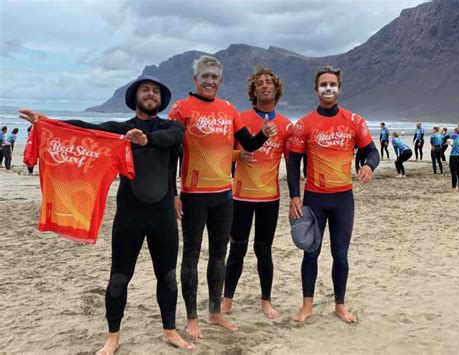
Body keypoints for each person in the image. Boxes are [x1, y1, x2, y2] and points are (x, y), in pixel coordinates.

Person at [19, 74, 193, 353]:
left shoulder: (172, 127)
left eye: (155, 91)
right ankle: (113, 336)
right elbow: (88, 130)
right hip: (129, 215)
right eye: (145, 90)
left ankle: (170, 330)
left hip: (162, 215)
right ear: (135, 97)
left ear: (161, 100)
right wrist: (48, 122)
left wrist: (145, 140)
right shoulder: (120, 129)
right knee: (119, 278)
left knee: (168, 277)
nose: (150, 94)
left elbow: (171, 138)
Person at [169, 55, 276, 339]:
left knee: (219, 255)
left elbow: (249, 143)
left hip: (223, 195)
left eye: (214, 76)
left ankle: (214, 312)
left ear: (220, 80)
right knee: (191, 255)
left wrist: (263, 134)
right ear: (195, 79)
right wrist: (174, 193)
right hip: (193, 195)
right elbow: (170, 153)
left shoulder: (228, 109)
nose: (209, 81)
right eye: (204, 76)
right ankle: (192, 318)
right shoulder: (182, 108)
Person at [287, 65, 379, 323]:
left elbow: (372, 151)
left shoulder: (353, 121)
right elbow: (293, 162)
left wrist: (368, 165)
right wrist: (295, 195)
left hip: (342, 200)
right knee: (311, 253)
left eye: (332, 84)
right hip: (314, 199)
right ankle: (307, 306)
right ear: (316, 90)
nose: (328, 88)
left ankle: (340, 305)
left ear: (339, 89)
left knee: (340, 255)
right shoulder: (304, 124)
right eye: (323, 84)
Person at [222, 66, 291, 319]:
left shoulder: (284, 125)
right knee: (237, 249)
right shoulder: (239, 120)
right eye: (259, 83)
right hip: (240, 197)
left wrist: (297, 194)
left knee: (264, 250)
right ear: (253, 91)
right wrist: (239, 154)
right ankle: (227, 300)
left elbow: (292, 162)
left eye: (269, 83)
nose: (264, 86)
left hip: (269, 198)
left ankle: (266, 301)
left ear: (276, 89)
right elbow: (222, 154)